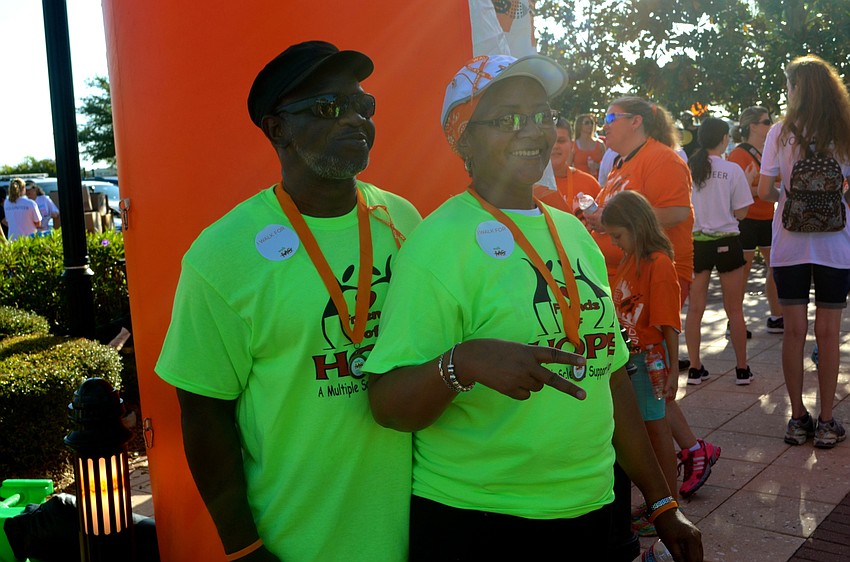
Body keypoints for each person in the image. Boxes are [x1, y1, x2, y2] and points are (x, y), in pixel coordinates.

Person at [364, 54, 702, 562]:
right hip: (481, 520)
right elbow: (388, 404)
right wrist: (464, 363)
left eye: (542, 114)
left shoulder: (574, 233)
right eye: (507, 119)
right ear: (465, 139)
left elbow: (609, 375)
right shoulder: (435, 246)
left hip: (592, 507)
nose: (533, 130)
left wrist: (661, 502)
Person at [155, 41, 422, 561]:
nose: (354, 121)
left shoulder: (404, 220)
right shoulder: (222, 255)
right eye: (328, 108)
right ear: (278, 129)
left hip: (420, 531)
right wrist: (242, 546)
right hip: (297, 542)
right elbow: (204, 410)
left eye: (362, 106)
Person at [583, 98, 718, 499]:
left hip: (654, 279)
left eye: (610, 118)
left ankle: (676, 477)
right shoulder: (621, 164)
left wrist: (611, 218)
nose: (604, 126)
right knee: (642, 388)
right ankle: (688, 456)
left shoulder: (662, 158)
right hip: (623, 282)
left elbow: (677, 211)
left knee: (647, 386)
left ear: (636, 121)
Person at [757, 54, 850, 449]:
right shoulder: (845, 131)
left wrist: (793, 201)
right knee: (828, 334)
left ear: (797, 89)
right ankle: (827, 422)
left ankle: (798, 419)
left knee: (793, 332)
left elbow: (764, 192)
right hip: (836, 245)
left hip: (789, 244)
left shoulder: (780, 132)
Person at [602, 190, 683, 536]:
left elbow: (668, 322)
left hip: (649, 361)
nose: (616, 244)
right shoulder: (629, 260)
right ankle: (656, 505)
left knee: (656, 433)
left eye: (618, 235)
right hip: (629, 359)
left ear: (635, 226)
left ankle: (669, 507)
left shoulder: (658, 263)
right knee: (640, 434)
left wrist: (674, 369)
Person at [685, 117, 754, 386]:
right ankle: (742, 370)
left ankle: (694, 368)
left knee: (695, 310)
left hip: (697, 244)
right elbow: (742, 212)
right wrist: (747, 181)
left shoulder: (689, 168)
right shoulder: (732, 170)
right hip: (727, 242)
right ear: (725, 139)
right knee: (734, 310)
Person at [729, 106, 783, 334]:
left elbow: (777, 180)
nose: (770, 125)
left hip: (769, 218)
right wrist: (760, 188)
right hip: (747, 220)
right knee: (744, 272)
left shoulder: (771, 150)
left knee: (777, 267)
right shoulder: (739, 154)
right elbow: (734, 191)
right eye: (765, 121)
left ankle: (777, 316)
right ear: (752, 126)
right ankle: (735, 322)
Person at [533, 115, 601, 220]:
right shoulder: (528, 187)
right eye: (549, 141)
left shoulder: (590, 183)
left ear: (572, 145)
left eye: (561, 141)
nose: (555, 146)